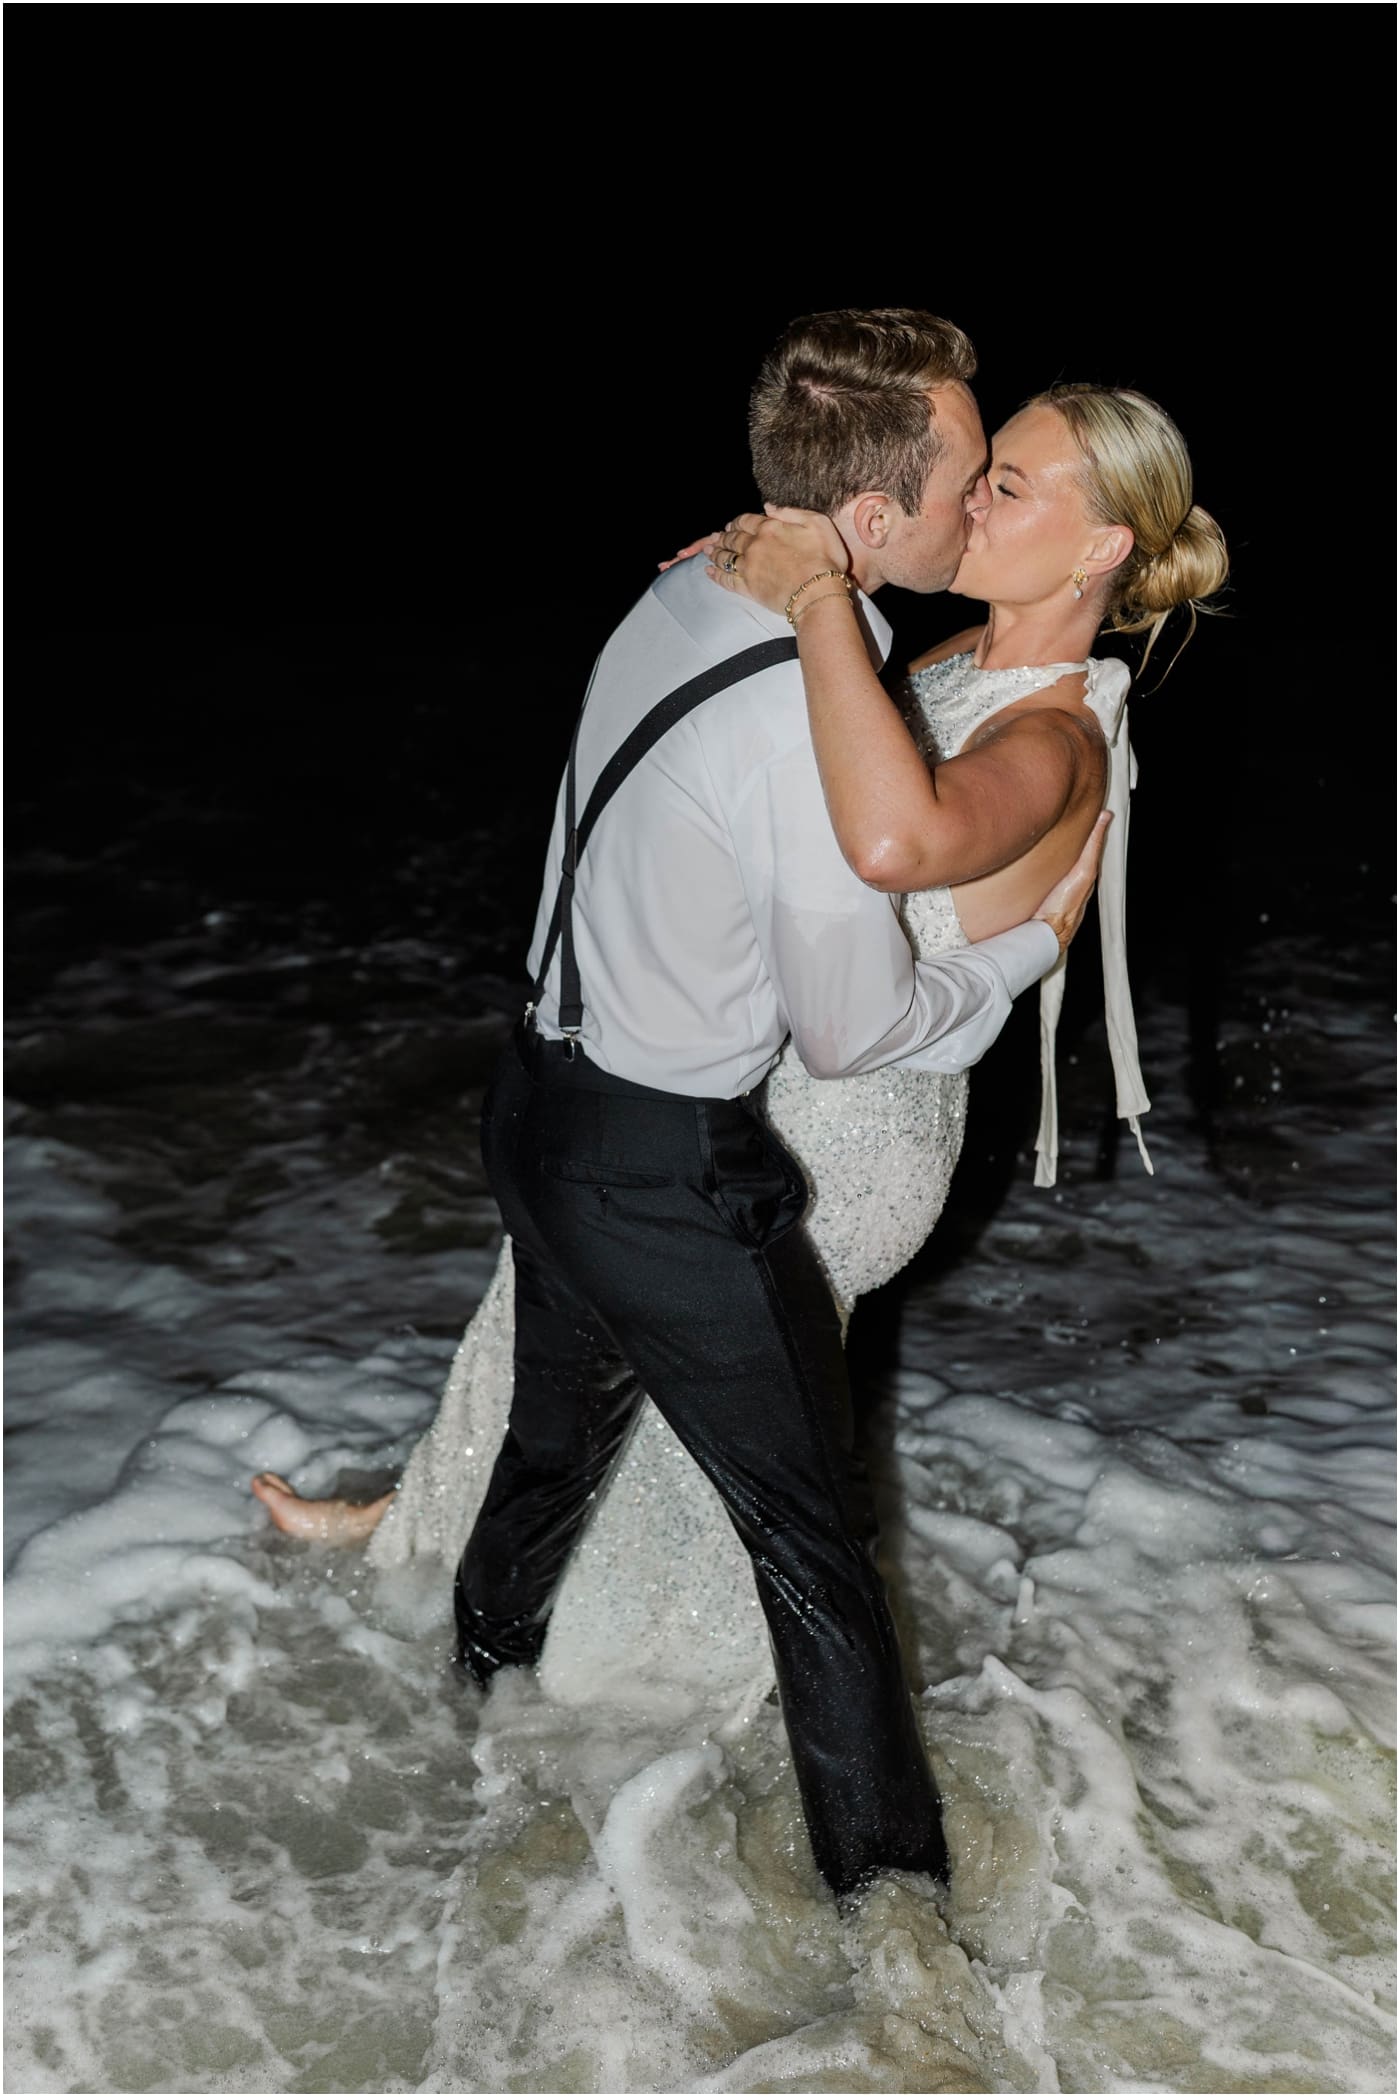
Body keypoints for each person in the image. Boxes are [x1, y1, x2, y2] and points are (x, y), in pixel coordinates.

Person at [253, 310, 1225, 1900]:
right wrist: (788, 596)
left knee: (757, 1510)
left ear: (1104, 539)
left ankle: (841, 1874)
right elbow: (804, 753)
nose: (974, 501)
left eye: (1011, 484)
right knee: (570, 1355)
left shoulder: (1054, 740)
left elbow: (892, 839)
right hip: (757, 1084)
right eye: (974, 476)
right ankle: (464, 1618)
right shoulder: (954, 658)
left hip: (854, 1118)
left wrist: (807, 600)